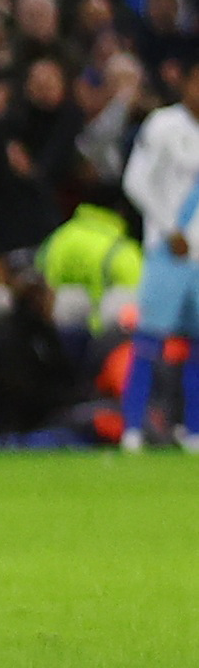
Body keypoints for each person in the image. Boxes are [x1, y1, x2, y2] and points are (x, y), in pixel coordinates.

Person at [119, 62, 199, 449]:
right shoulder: (163, 125)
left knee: (197, 346)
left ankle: (194, 430)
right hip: (167, 254)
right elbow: (135, 181)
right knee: (150, 341)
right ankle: (132, 429)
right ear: (187, 83)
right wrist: (170, 230)